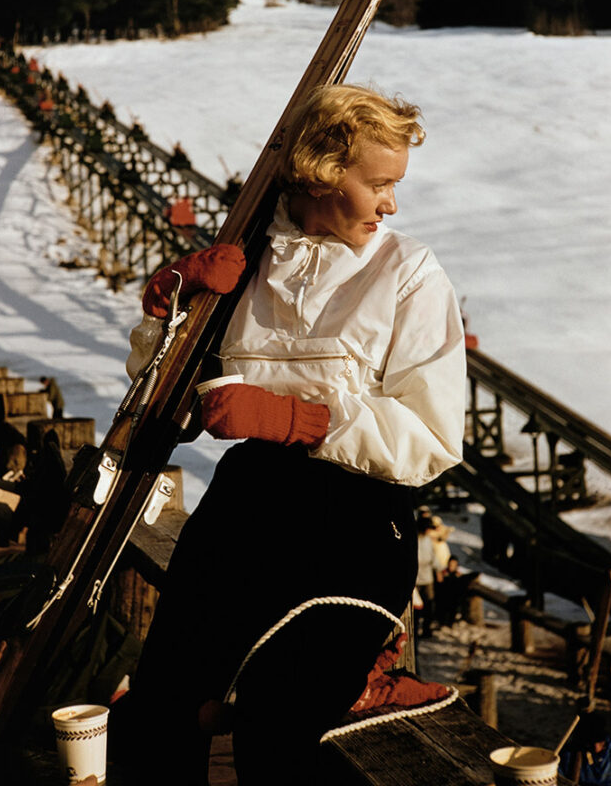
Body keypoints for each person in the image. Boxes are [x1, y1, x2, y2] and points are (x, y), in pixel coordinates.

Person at [117, 84, 466, 784]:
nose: (391, 204)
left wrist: (301, 421)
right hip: (248, 504)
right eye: (379, 184)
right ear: (321, 171)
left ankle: (357, 677)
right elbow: (165, 411)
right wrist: (170, 311)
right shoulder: (246, 263)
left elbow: (431, 437)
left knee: (277, 725)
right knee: (156, 713)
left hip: (358, 521)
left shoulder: (406, 273)